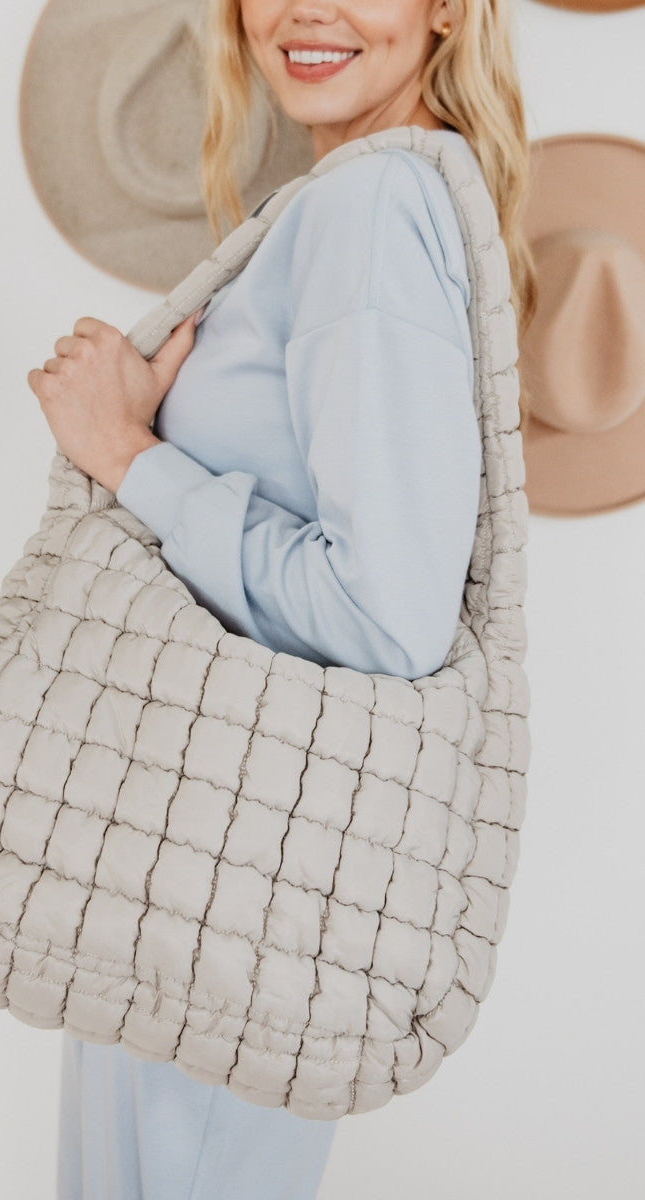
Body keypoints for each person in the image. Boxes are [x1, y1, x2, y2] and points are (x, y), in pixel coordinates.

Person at [27, 1, 536, 1196]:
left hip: (226, 880)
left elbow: (386, 618)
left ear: (444, 8)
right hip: (209, 865)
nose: (305, 8)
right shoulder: (347, 200)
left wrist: (127, 452)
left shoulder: (371, 207)